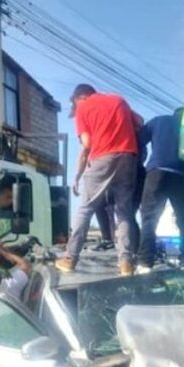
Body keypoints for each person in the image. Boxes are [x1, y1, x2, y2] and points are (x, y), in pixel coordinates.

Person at [57, 83, 143, 276]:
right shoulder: (119, 99)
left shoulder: (84, 108)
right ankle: (126, 263)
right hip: (128, 157)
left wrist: (77, 176)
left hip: (102, 158)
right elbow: (141, 122)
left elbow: (86, 145)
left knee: (86, 207)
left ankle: (70, 258)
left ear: (80, 98)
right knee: (124, 212)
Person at [136, 107, 184, 272]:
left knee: (149, 218)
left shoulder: (158, 120)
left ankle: (145, 262)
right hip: (181, 176)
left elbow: (139, 140)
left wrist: (141, 161)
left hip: (157, 173)